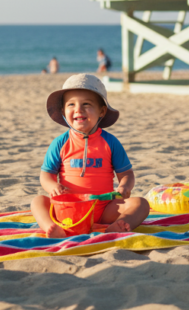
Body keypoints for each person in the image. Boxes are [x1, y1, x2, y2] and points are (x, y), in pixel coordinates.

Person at [30, 74, 150, 237]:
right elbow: (46, 175)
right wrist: (53, 187)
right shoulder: (60, 143)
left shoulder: (110, 142)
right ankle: (51, 227)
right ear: (64, 111)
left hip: (104, 209)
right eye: (71, 104)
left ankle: (119, 225)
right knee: (38, 201)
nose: (78, 109)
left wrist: (125, 187)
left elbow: (127, 174)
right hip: (67, 210)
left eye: (86, 104)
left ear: (102, 111)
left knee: (141, 204)